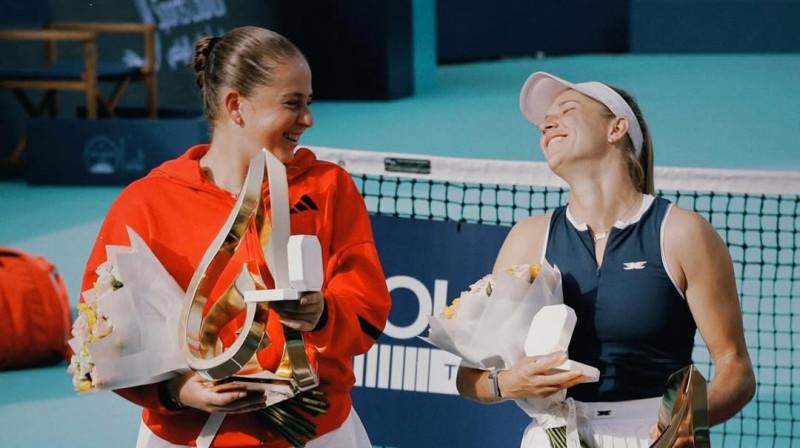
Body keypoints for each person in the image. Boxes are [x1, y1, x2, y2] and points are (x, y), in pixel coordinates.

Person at [81, 26, 391, 448]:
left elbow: (367, 308)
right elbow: (103, 338)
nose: (308, 119)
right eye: (292, 104)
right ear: (236, 107)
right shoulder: (146, 204)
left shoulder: (329, 189)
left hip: (318, 436)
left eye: (309, 103)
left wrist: (321, 314)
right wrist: (176, 392)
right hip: (184, 438)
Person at [455, 71, 756, 448]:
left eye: (567, 110)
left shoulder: (683, 233)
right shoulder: (528, 237)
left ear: (616, 129)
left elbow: (736, 368)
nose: (548, 124)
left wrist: (689, 420)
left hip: (653, 434)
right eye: (545, 121)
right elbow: (470, 377)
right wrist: (507, 383)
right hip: (553, 437)